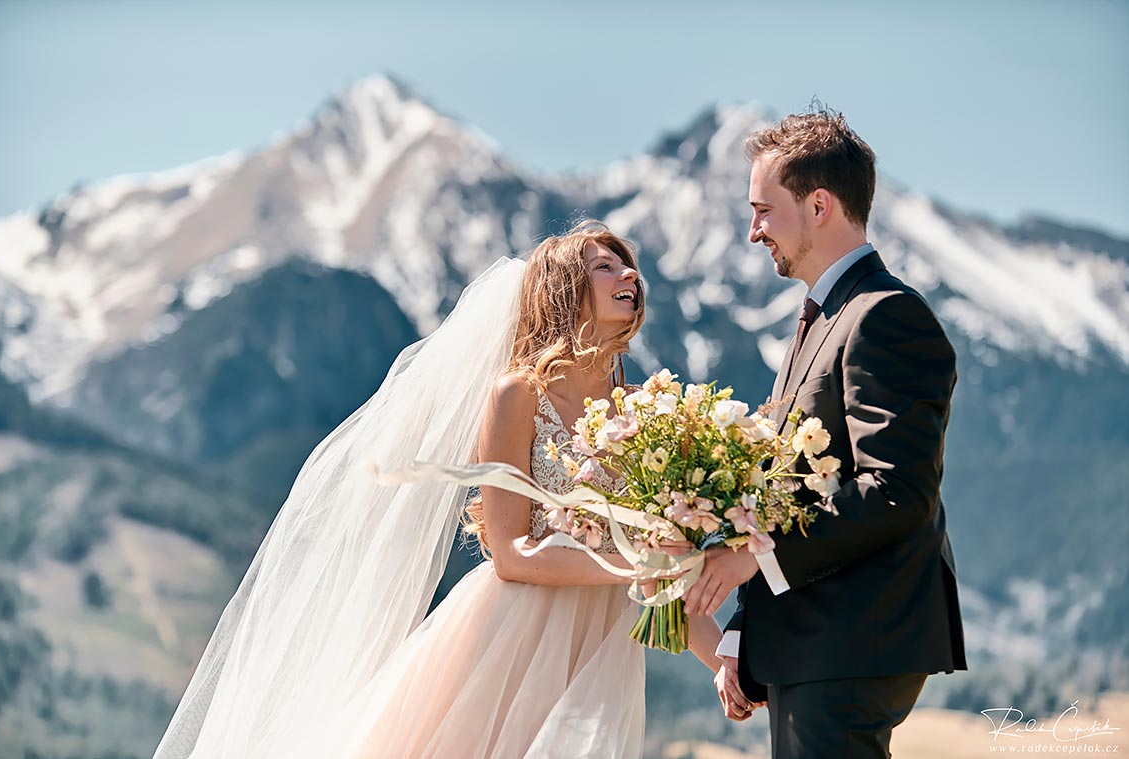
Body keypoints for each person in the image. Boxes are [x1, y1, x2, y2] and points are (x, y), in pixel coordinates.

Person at [153, 220, 723, 759]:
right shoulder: (517, 395)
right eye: (606, 267)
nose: (630, 276)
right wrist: (630, 569)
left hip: (602, 646)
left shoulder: (646, 409)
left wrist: (724, 664)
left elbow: (668, 566)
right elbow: (509, 554)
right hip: (513, 630)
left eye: (629, 269)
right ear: (564, 291)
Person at [682, 110, 967, 759]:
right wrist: (741, 631)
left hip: (850, 638)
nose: (753, 231)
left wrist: (755, 556)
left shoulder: (885, 316)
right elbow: (790, 497)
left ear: (818, 205)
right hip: (816, 639)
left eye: (763, 209)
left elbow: (895, 492)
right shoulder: (824, 318)